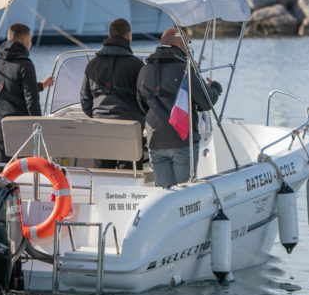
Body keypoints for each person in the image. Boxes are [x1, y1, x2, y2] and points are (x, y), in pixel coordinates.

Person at [136, 27, 222, 188]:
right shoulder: (186, 69)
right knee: (185, 194)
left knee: (164, 194)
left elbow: (141, 106)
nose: (188, 49)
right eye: (187, 44)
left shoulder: (144, 70)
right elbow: (206, 102)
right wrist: (216, 87)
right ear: (177, 43)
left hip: (156, 141)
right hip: (183, 141)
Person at [80, 18, 146, 169]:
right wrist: (139, 119)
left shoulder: (92, 64)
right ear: (129, 36)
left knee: (102, 174)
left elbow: (85, 99)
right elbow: (145, 100)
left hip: (100, 127)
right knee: (130, 175)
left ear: (109, 35)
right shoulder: (137, 65)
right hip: (129, 127)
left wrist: (97, 114)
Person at [0, 23, 54, 165]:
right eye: (30, 40)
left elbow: (8, 89)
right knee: (22, 173)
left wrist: (41, 86)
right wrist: (39, 126)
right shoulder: (26, 64)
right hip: (21, 130)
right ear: (25, 41)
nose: (31, 43)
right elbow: (31, 100)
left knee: (1, 171)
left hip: (1, 126)